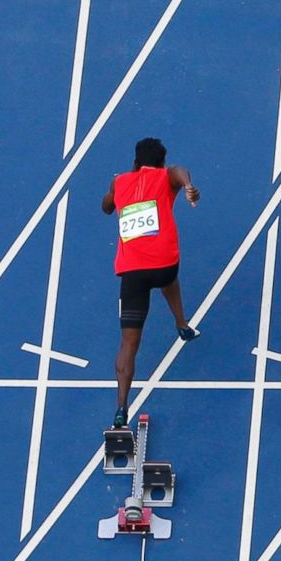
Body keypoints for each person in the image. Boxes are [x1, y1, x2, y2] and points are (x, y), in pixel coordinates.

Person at [102, 138, 201, 428]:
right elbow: (179, 171)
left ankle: (121, 407)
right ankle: (182, 324)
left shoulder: (119, 182)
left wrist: (112, 196)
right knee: (169, 279)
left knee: (129, 343)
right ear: (161, 162)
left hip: (132, 273)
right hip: (164, 265)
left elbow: (106, 207)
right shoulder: (165, 177)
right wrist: (187, 187)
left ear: (135, 161)